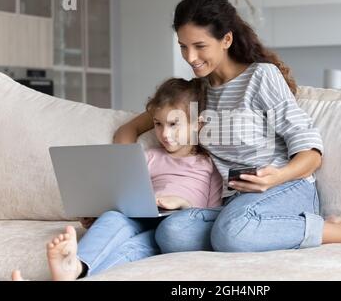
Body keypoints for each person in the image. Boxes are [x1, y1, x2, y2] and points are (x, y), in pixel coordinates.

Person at [112, 0, 341, 256]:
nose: (190, 57)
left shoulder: (260, 78)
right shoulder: (196, 92)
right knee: (171, 234)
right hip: (233, 203)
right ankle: (268, 229)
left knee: (232, 233)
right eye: (183, 46)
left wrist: (277, 177)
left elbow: (311, 152)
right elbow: (129, 130)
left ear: (226, 39)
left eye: (200, 46)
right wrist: (129, 191)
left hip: (285, 189)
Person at [11, 77, 223, 281]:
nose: (165, 134)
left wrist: (183, 204)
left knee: (131, 249)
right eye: (158, 124)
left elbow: (213, 213)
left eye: (173, 124)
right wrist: (97, 212)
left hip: (180, 223)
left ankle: (75, 272)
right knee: (113, 219)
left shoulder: (209, 164)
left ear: (198, 124)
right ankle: (75, 266)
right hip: (144, 218)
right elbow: (127, 193)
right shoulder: (148, 157)